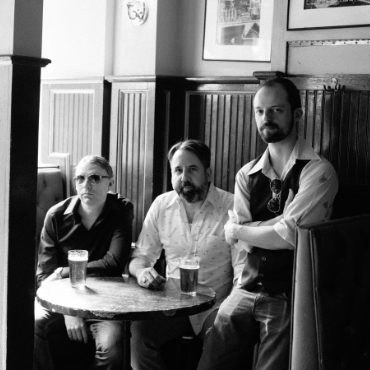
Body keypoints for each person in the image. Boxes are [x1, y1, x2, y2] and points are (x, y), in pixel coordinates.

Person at [197, 77, 339, 370]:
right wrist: (274, 225)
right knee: (210, 363)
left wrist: (239, 229)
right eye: (260, 111)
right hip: (245, 288)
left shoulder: (319, 171)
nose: (266, 118)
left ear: (297, 114)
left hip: (290, 294)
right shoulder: (246, 174)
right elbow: (250, 242)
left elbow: (288, 238)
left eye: (276, 110)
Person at [129, 139, 247, 370]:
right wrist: (143, 271)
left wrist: (229, 311)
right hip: (173, 306)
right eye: (178, 170)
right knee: (138, 334)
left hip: (216, 306)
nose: (185, 177)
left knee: (223, 339)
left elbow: (242, 272)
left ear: (208, 172)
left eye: (192, 169)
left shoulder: (232, 207)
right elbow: (140, 257)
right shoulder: (162, 205)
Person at [34, 155, 134, 370]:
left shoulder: (121, 210)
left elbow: (114, 263)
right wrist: (69, 310)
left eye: (95, 178)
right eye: (80, 178)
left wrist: (63, 272)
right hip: (62, 300)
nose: (86, 185)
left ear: (111, 182)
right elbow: (44, 276)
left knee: (112, 345)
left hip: (105, 301)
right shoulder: (57, 215)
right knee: (33, 322)